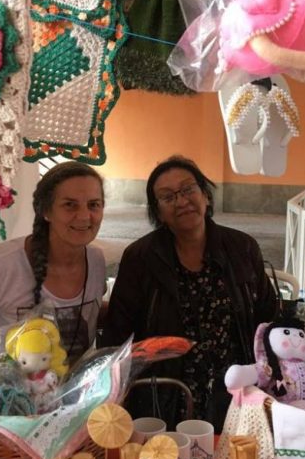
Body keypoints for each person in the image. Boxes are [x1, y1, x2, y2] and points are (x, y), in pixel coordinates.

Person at [102, 155, 278, 428]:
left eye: (187, 189)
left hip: (235, 391)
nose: (182, 201)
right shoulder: (140, 257)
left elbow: (268, 319)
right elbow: (118, 334)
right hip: (165, 395)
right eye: (168, 197)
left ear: (205, 195)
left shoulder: (242, 248)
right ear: (158, 211)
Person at [0, 162, 106, 365]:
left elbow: (93, 313)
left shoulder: (96, 261)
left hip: (79, 384)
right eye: (70, 205)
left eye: (94, 205)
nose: (85, 216)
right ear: (46, 211)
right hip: (2, 384)